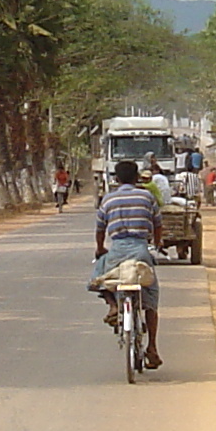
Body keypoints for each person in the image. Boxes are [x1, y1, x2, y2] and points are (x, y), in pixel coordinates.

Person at [90, 158, 162, 369]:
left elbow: (100, 229)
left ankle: (113, 306)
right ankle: (153, 348)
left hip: (117, 251)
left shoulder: (108, 199)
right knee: (150, 297)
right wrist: (157, 243)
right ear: (137, 177)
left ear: (117, 179)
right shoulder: (147, 196)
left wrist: (100, 248)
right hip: (141, 250)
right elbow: (157, 224)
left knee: (98, 277)